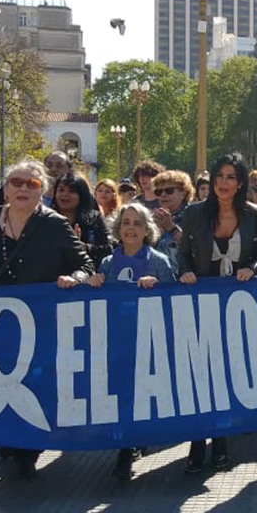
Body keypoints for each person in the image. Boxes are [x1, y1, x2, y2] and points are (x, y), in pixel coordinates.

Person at [0, 159, 93, 479]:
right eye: (16, 182)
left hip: (40, 324)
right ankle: (10, 440)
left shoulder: (55, 225)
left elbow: (86, 265)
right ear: (5, 187)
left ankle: (28, 449)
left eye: (33, 184)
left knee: (34, 383)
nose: (23, 188)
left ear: (43, 191)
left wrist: (76, 278)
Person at [178, 154, 257, 471]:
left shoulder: (255, 216)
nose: (223, 182)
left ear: (241, 182)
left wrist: (250, 268)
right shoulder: (193, 214)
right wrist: (186, 273)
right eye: (219, 176)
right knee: (198, 372)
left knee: (225, 373)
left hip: (235, 306)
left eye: (231, 177)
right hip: (200, 304)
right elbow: (182, 254)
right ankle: (195, 442)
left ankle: (221, 441)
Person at [87, 202, 176, 481]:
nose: (131, 228)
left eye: (137, 223)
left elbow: (173, 299)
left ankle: (142, 438)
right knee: (125, 392)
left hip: (149, 339)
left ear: (147, 229)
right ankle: (125, 450)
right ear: (118, 228)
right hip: (120, 339)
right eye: (126, 222)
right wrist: (96, 282)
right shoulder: (108, 262)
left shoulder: (158, 261)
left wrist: (158, 286)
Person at [51, 171, 113, 266]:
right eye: (61, 190)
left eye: (71, 191)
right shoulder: (47, 219)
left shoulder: (94, 218)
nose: (65, 194)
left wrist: (85, 248)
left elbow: (110, 247)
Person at [150, 169, 194, 269]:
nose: (163, 195)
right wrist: (153, 234)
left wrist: (172, 229)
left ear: (183, 193)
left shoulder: (194, 216)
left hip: (187, 278)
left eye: (169, 191)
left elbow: (197, 250)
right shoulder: (151, 219)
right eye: (158, 192)